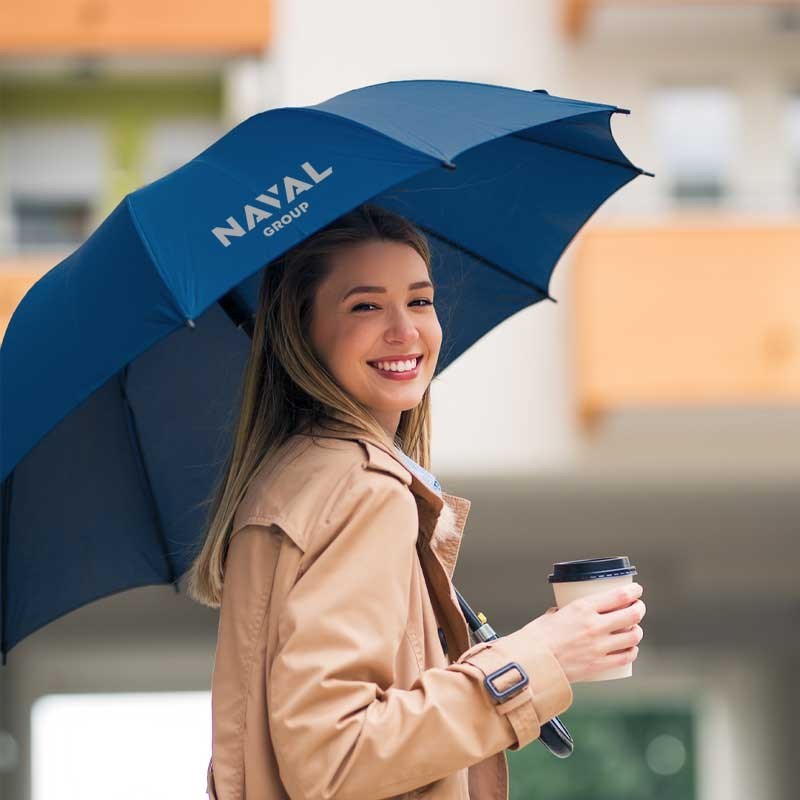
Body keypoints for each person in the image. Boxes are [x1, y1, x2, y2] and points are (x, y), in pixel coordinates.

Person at [186, 203, 646, 799]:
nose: (404, 330)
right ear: (302, 330)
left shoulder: (290, 479)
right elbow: (335, 757)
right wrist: (539, 657)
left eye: (420, 301)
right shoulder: (362, 489)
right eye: (366, 306)